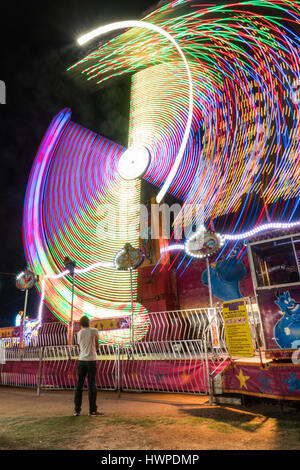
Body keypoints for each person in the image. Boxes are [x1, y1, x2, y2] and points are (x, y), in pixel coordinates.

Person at [74, 315, 103, 416]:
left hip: (82, 360)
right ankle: (92, 410)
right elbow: (97, 345)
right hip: (92, 360)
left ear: (81, 324)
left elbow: (80, 345)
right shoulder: (94, 331)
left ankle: (77, 410)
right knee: (92, 385)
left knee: (79, 385)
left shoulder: (79, 333)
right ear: (89, 322)